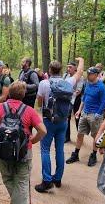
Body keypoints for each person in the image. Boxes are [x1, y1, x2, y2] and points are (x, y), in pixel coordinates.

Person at [0, 81, 46, 204]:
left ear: (9, 93)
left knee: (8, 179)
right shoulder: (29, 110)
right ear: (24, 95)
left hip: (4, 152)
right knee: (21, 183)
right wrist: (32, 141)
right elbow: (43, 131)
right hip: (24, 153)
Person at [34, 58, 82, 192]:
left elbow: (39, 103)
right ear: (61, 70)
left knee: (45, 149)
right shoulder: (68, 82)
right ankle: (58, 178)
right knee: (59, 150)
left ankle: (47, 180)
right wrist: (81, 61)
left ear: (49, 70)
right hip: (63, 121)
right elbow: (79, 73)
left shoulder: (44, 83)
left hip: (49, 121)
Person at [67, 66, 105, 167]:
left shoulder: (101, 87)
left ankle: (93, 155)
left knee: (95, 136)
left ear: (96, 75)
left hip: (95, 115)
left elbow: (103, 103)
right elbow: (84, 98)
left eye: (90, 74)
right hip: (84, 113)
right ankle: (76, 154)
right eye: (88, 74)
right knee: (80, 133)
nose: (88, 76)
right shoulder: (87, 84)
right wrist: (79, 110)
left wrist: (98, 114)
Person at [63, 59, 85, 143]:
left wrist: (68, 91)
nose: (68, 69)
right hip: (67, 99)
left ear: (75, 68)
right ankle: (66, 137)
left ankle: (80, 137)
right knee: (66, 118)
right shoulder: (65, 76)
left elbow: (78, 91)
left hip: (77, 100)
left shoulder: (80, 77)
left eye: (70, 67)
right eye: (67, 67)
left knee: (77, 118)